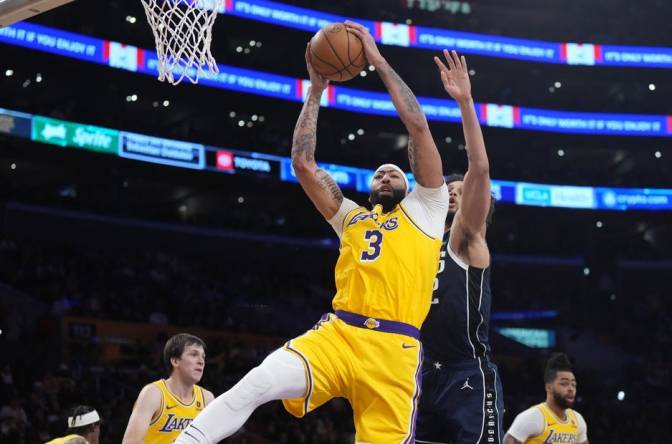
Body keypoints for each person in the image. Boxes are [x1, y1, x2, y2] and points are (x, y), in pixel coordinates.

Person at [173, 20, 448, 444]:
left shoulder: (428, 209)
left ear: (410, 183)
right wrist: (316, 89)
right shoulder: (351, 217)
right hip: (339, 334)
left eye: (394, 172)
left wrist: (375, 59)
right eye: (379, 174)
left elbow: (418, 127)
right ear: (370, 187)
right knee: (257, 383)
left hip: (395, 351)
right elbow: (303, 163)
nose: (387, 175)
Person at [415, 49, 503, 444]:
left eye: (460, 190)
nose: (453, 194)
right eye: (448, 190)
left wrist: (465, 102)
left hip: (466, 371)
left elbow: (479, 168)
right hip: (420, 371)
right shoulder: (420, 240)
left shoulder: (468, 237)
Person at [122, 333, 214, 443]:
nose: (201, 361)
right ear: (175, 361)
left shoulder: (207, 398)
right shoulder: (153, 393)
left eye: (203, 356)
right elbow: (130, 441)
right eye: (194, 355)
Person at [504, 353, 589, 444]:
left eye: (573, 385)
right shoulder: (533, 417)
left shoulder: (578, 419)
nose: (571, 389)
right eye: (564, 384)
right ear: (549, 388)